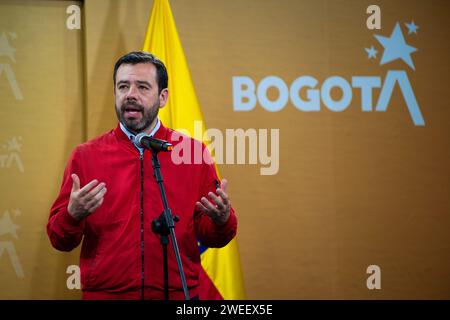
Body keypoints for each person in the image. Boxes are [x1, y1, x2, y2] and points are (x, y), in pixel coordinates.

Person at [47, 51, 237, 300]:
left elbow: (212, 236)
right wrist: (72, 215)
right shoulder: (85, 156)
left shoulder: (191, 153)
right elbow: (59, 239)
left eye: (142, 87)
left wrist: (222, 220)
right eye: (123, 86)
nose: (130, 95)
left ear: (163, 97)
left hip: (177, 295)